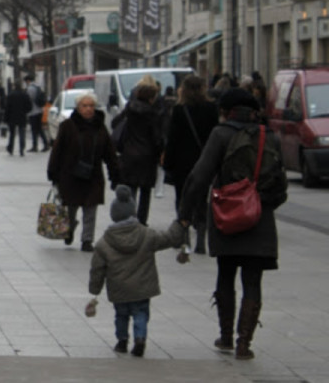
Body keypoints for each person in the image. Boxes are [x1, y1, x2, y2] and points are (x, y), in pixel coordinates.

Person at [179, 88, 288, 361]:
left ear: (226, 111)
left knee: (225, 274)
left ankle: (226, 336)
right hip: (258, 217)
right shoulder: (269, 136)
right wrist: (261, 205)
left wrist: (185, 214)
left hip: (226, 215)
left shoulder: (220, 134)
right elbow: (282, 186)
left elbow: (199, 176)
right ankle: (244, 344)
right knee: (253, 281)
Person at [88, 185, 187, 357]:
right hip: (142, 288)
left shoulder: (104, 243)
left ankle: (122, 341)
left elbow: (97, 269)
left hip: (119, 288)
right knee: (141, 313)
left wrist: (94, 290)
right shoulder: (147, 235)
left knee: (121, 315)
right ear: (133, 212)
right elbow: (169, 238)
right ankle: (140, 339)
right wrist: (179, 225)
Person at [47, 93, 120, 252]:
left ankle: (87, 240)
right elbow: (57, 150)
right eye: (84, 106)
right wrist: (53, 172)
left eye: (91, 106)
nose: (88, 109)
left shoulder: (100, 127)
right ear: (78, 108)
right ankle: (70, 229)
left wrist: (115, 172)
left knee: (90, 210)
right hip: (70, 176)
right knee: (71, 209)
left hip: (93, 176)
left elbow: (109, 152)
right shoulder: (67, 126)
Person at [163, 75, 218, 254]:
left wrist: (168, 163)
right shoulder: (211, 108)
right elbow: (214, 137)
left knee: (182, 198)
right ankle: (201, 239)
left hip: (182, 163)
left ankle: (183, 236)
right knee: (201, 199)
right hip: (204, 161)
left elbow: (173, 139)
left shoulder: (179, 109)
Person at [118, 83, 163, 226]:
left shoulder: (129, 109)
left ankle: (129, 217)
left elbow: (115, 123)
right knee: (145, 190)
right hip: (147, 156)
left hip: (130, 153)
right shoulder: (153, 114)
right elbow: (156, 137)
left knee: (131, 189)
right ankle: (142, 220)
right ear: (151, 97)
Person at [3, 80, 32, 156]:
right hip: (22, 116)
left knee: (12, 134)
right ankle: (21, 149)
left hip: (12, 116)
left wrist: (5, 118)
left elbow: (7, 108)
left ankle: (10, 148)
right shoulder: (24, 95)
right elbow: (29, 106)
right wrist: (25, 111)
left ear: (14, 86)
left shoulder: (11, 95)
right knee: (22, 133)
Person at [25, 75, 49, 152]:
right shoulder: (37, 87)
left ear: (28, 81)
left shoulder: (30, 89)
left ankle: (35, 146)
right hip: (39, 110)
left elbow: (28, 100)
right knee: (39, 129)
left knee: (34, 129)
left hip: (33, 112)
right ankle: (45, 144)